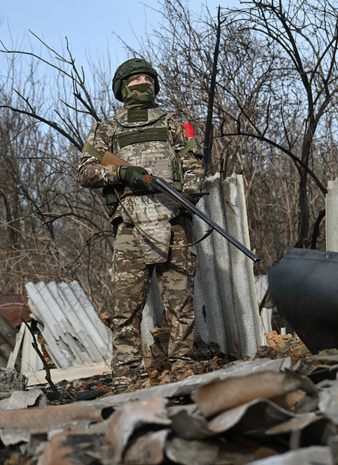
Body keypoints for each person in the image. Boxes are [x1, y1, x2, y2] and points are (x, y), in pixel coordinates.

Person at [77, 57, 205, 389]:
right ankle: (125, 379)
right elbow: (85, 171)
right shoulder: (106, 129)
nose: (141, 84)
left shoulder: (175, 121)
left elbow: (193, 162)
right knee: (126, 310)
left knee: (181, 304)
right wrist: (122, 173)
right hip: (129, 226)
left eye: (146, 79)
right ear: (121, 88)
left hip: (172, 220)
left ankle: (184, 369)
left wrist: (189, 196)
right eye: (133, 81)